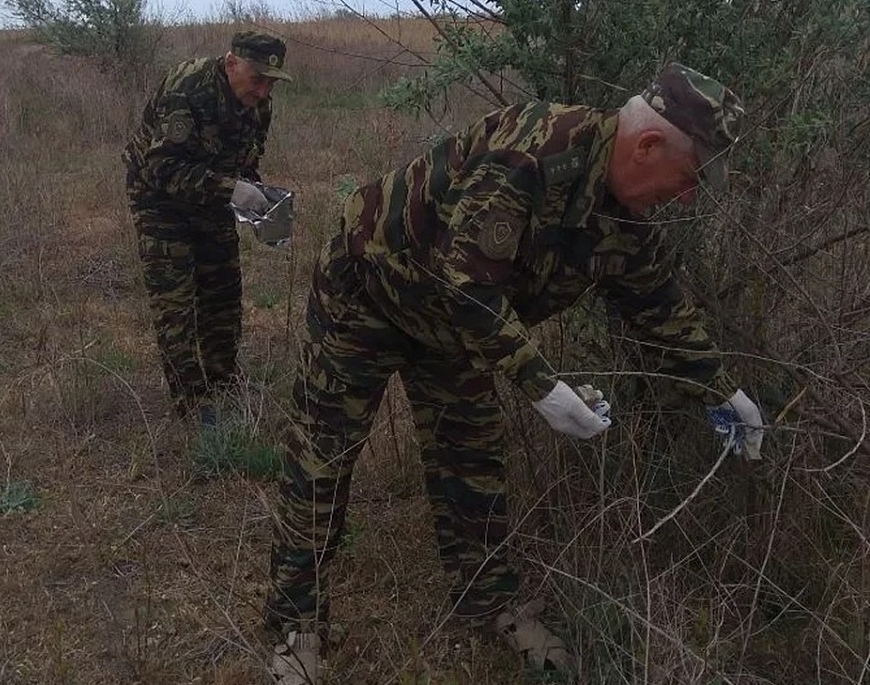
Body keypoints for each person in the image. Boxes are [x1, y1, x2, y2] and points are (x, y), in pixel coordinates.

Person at [264, 63, 766, 684]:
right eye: (689, 178)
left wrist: (721, 392)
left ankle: (488, 604)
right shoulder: (532, 152)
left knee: (471, 458)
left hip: (457, 325)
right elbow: (466, 286)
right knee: (325, 454)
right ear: (648, 145)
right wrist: (541, 385)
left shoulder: (626, 216)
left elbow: (657, 307)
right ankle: (296, 625)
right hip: (370, 288)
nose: (687, 196)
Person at [123, 31, 292, 425]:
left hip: (212, 197)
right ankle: (192, 402)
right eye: (257, 79)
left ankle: (223, 379)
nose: (264, 91)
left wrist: (260, 202)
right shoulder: (188, 88)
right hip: (158, 200)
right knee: (176, 302)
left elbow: (244, 158)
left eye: (271, 82)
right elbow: (161, 167)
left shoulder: (258, 104)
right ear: (232, 63)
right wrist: (232, 190)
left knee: (223, 289)